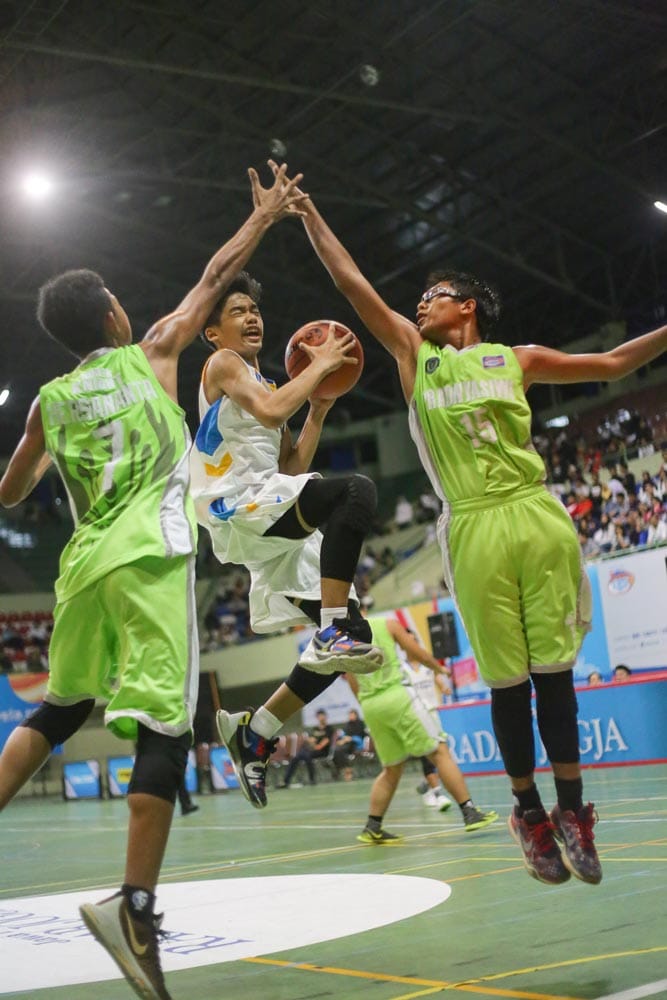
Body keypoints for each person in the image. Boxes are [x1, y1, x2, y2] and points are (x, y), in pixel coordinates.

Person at [293, 160, 667, 884]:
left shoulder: (516, 359)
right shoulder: (414, 356)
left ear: (465, 306)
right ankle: (528, 813)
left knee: (553, 676)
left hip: (537, 514)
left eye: (431, 297)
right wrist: (308, 213)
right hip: (472, 524)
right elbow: (351, 286)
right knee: (507, 683)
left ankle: (572, 810)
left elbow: (615, 362)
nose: (418, 305)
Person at [0, 163, 306, 1000]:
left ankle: (132, 905)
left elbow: (12, 491)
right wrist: (264, 217)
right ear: (112, 314)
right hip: (150, 555)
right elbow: (215, 273)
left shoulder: (49, 402)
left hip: (81, 571)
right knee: (168, 728)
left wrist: (58, 458)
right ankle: (133, 908)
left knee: (61, 709)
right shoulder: (155, 352)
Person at [189, 168, 385, 810]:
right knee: (355, 493)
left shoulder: (265, 380)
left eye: (254, 310)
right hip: (236, 505)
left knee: (355, 637)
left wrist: (320, 406)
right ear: (214, 332)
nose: (251, 317)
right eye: (237, 312)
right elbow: (274, 413)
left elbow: (293, 457)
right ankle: (330, 625)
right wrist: (320, 366)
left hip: (266, 504)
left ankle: (256, 732)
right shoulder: (222, 365)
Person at [349, 614, 497, 843]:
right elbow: (416, 651)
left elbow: (351, 680)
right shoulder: (386, 624)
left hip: (370, 705)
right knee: (439, 752)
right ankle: (469, 812)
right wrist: (439, 669)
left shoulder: (344, 639)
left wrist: (368, 703)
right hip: (398, 697)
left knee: (391, 769)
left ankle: (372, 826)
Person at [401, 638, 454, 810]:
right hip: (416, 715)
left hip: (433, 714)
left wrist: (444, 687)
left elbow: (438, 680)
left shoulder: (428, 665)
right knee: (427, 753)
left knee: (440, 753)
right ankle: (437, 794)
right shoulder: (401, 669)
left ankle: (427, 785)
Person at [280, 708, 333, 787]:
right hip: (311, 750)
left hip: (322, 751)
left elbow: (323, 743)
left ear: (325, 717)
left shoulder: (329, 729)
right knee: (295, 757)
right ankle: (285, 782)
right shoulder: (315, 729)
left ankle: (312, 779)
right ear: (317, 717)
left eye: (322, 716)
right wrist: (311, 742)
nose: (321, 717)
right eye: (319, 716)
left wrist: (315, 745)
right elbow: (310, 740)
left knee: (307, 756)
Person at [331, 707, 368, 780]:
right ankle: (343, 769)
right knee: (336, 750)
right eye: (350, 715)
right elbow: (344, 734)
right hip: (346, 744)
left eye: (352, 715)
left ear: (356, 715)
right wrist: (342, 740)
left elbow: (362, 736)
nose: (351, 716)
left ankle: (348, 770)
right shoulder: (347, 724)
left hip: (356, 744)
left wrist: (351, 738)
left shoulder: (360, 723)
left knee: (341, 750)